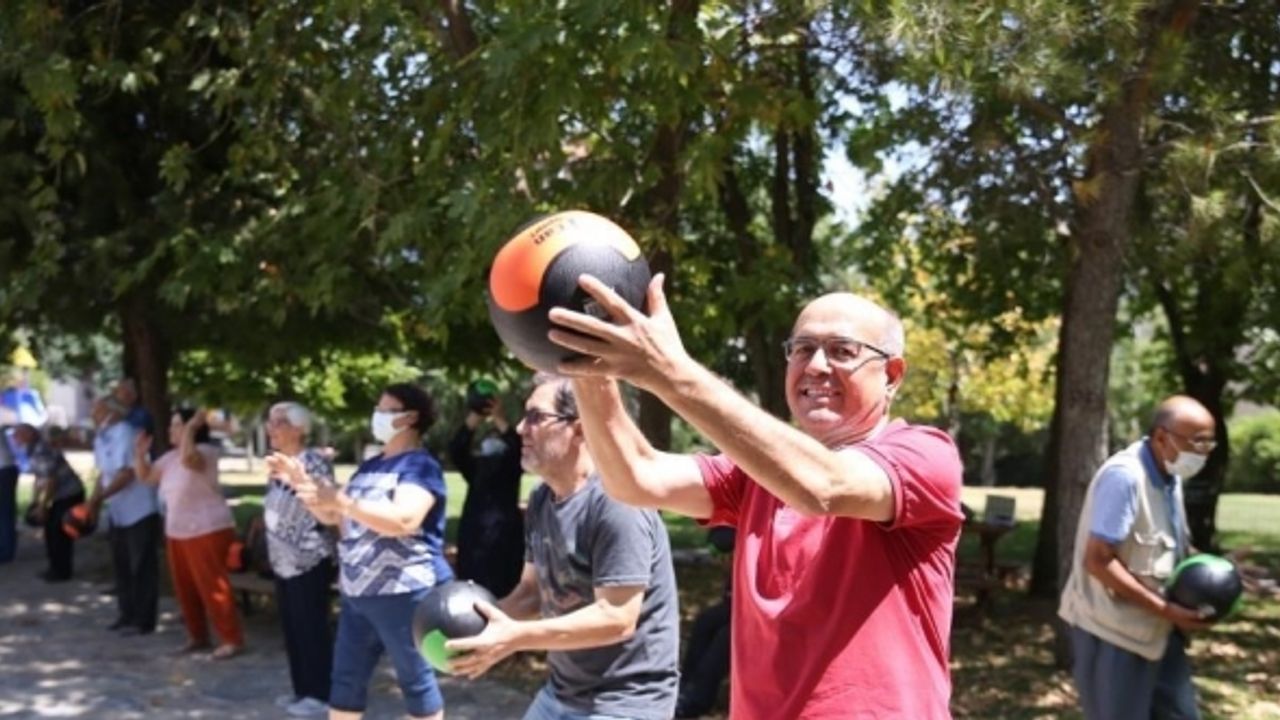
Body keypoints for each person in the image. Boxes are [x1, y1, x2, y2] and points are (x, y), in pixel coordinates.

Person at [546, 277, 965, 719]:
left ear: (892, 376)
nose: (817, 365)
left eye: (843, 350)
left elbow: (823, 487)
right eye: (802, 349)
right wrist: (588, 366)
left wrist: (669, 371)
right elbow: (636, 476)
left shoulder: (925, 455)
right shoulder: (756, 473)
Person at [445, 373, 680, 720]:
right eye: (525, 416)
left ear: (582, 426)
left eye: (536, 417)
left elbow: (617, 618)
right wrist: (476, 625)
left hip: (627, 701)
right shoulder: (543, 499)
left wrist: (515, 638)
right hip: (563, 691)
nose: (522, 428)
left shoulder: (617, 500)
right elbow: (530, 592)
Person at [273, 382, 451, 720]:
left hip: (404, 593)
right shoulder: (370, 467)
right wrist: (303, 486)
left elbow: (405, 519)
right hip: (358, 593)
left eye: (385, 410)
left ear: (410, 418)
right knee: (345, 683)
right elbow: (335, 517)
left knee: (416, 682)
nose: (377, 416)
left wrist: (343, 500)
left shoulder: (420, 465)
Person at [1058, 395, 1217, 719]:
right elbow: (1098, 560)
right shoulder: (1125, 477)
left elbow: (1169, 548)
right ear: (1162, 437)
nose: (1202, 454)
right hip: (1113, 633)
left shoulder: (1170, 477)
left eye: (1208, 445)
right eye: (1196, 443)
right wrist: (1165, 609)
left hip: (1158, 631)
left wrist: (1223, 572)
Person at [134, 408, 244, 659]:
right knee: (185, 587)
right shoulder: (170, 457)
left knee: (212, 585)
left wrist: (193, 428)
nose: (171, 430)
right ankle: (197, 636)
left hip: (206, 528)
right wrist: (140, 455)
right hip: (178, 530)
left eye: (176, 425)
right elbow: (146, 477)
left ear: (189, 429)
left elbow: (189, 460)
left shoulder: (205, 452)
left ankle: (231, 638)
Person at [261, 401, 337, 718]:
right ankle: (302, 690)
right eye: (270, 422)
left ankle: (321, 694)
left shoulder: (313, 463)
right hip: (283, 563)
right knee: (293, 629)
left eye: (278, 422)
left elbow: (325, 505)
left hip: (309, 560)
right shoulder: (279, 465)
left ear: (298, 429)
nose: (271, 428)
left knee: (312, 629)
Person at [90, 397, 161, 635]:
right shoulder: (101, 437)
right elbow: (104, 475)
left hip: (139, 509)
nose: (94, 415)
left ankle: (144, 620)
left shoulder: (125, 433)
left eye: (99, 410)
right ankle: (126, 613)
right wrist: (95, 500)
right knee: (121, 565)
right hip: (117, 511)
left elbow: (127, 473)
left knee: (141, 565)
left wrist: (100, 498)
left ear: (113, 412)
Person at [447, 387, 525, 598]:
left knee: (503, 587)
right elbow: (456, 449)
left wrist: (499, 418)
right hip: (473, 532)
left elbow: (518, 446)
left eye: (496, 436)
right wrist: (475, 416)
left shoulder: (512, 465)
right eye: (488, 436)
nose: (492, 439)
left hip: (505, 534)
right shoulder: (476, 466)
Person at [12, 423, 86, 582]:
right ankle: (54, 568)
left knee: (60, 533)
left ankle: (62, 572)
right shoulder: (30, 449)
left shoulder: (42, 450)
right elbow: (39, 477)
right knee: (50, 533)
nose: (14, 438)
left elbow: (51, 480)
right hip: (57, 494)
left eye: (18, 434)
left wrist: (43, 505)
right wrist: (34, 500)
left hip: (68, 493)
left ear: (30, 434)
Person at [674, 528, 735, 719]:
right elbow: (719, 538)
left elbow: (724, 540)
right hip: (737, 601)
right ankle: (682, 691)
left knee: (726, 636)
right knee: (706, 622)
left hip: (760, 612)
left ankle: (694, 701)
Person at [0, 407, 18, 564]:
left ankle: (6, 552)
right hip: (6, 469)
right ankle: (6, 548)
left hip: (3, 470)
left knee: (4, 512)